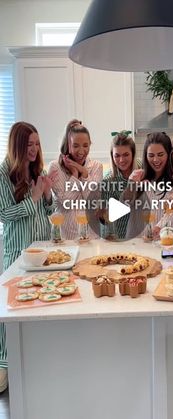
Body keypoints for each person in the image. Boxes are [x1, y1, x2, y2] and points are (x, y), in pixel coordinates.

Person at [0, 121, 55, 392]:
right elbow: (3, 215)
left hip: (42, 251)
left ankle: (33, 363)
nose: (34, 150)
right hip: (18, 252)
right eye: (28, 145)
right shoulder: (2, 174)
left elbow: (48, 210)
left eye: (36, 144)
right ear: (18, 146)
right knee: (11, 308)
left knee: (38, 304)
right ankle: (4, 365)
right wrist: (32, 199)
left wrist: (45, 196)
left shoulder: (38, 170)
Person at [48, 120, 103, 239]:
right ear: (68, 145)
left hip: (92, 237)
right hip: (66, 238)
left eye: (85, 145)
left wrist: (83, 173)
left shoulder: (96, 166)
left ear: (90, 144)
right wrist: (74, 174)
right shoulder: (55, 167)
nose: (81, 151)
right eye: (76, 145)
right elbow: (66, 202)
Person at [125, 132, 173, 239]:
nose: (156, 160)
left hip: (165, 239)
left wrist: (157, 228)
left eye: (160, 155)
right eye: (151, 155)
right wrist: (131, 185)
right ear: (145, 156)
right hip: (138, 239)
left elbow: (172, 212)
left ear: (168, 154)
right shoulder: (139, 176)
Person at [101, 131, 142, 239]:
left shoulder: (142, 169)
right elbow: (107, 217)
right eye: (117, 156)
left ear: (133, 153)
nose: (121, 160)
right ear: (112, 156)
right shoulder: (108, 181)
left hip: (143, 234)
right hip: (120, 236)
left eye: (126, 155)